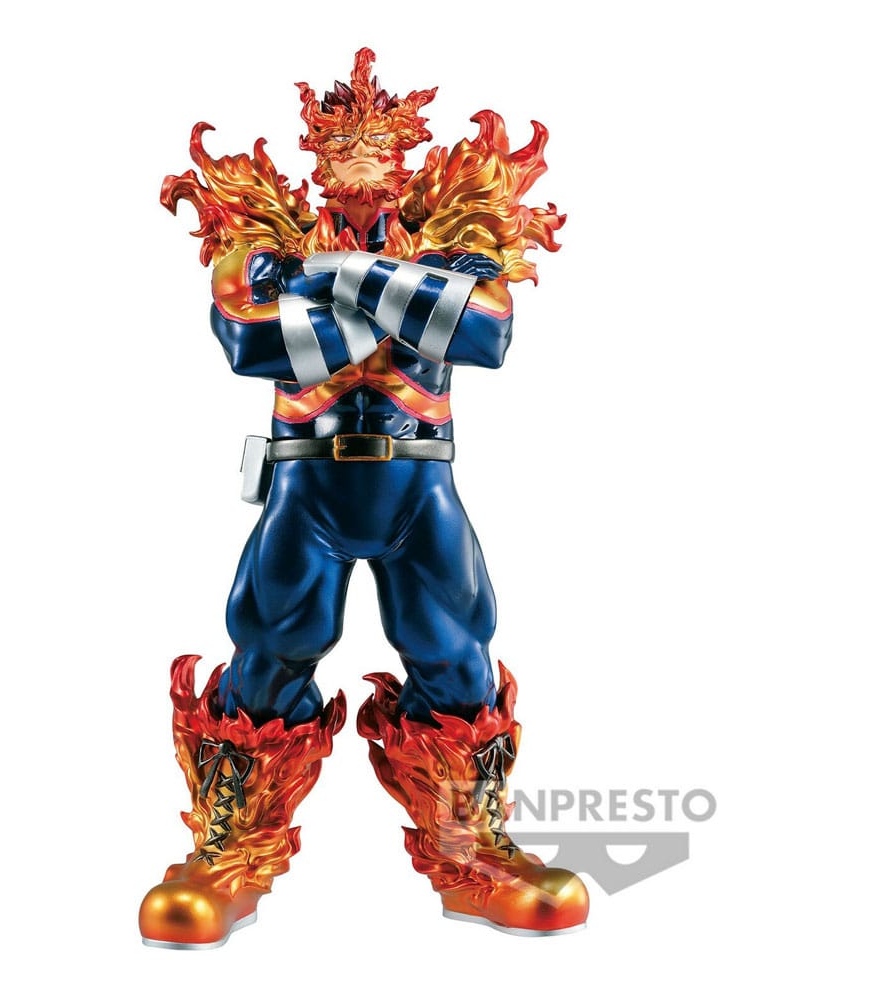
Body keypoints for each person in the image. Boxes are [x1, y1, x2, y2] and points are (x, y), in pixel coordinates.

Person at [139, 48, 589, 948]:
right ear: (316, 151)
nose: (359, 157)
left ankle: (470, 847)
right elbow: (258, 348)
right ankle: (231, 850)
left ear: (403, 150)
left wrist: (325, 280)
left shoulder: (448, 233)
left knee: (454, 654)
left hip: (419, 487)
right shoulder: (261, 237)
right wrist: (407, 298)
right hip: (305, 487)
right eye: (341, 141)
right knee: (271, 648)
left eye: (377, 142)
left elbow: (484, 334)